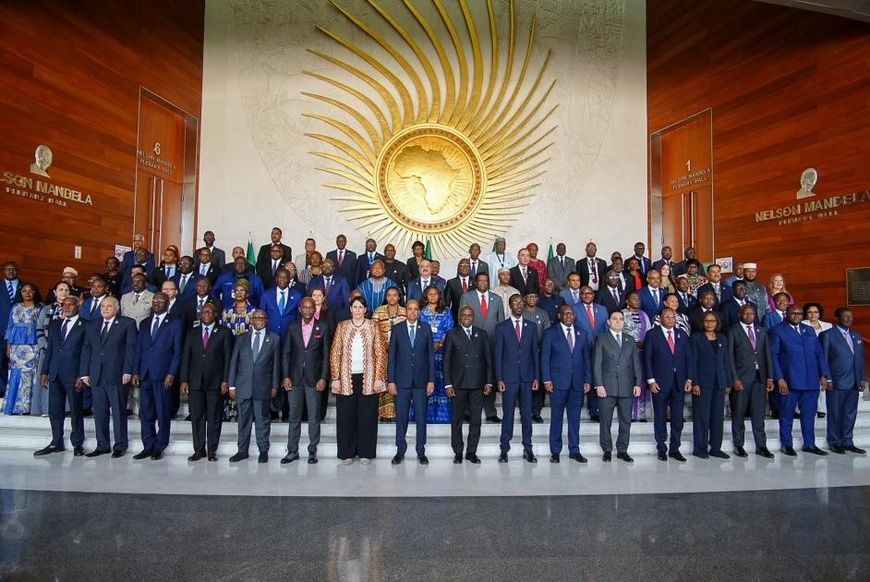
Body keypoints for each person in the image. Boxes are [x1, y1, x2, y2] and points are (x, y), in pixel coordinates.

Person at [330, 296, 387, 465]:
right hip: (346, 378)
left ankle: (365, 452)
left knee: (367, 416)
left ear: (365, 309)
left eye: (360, 307)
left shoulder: (373, 326)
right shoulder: (342, 326)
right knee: (346, 416)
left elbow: (381, 354)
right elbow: (335, 353)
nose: (357, 310)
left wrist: (379, 377)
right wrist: (335, 377)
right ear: (350, 309)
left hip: (368, 378)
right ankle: (346, 453)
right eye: (354, 307)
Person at [79, 297, 137, 458]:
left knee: (118, 412)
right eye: (103, 306)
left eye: (109, 306)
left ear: (117, 308)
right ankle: (102, 445)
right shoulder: (92, 325)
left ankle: (120, 445)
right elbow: (87, 349)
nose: (105, 309)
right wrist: (84, 373)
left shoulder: (127, 323)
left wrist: (128, 371)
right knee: (99, 413)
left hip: (117, 375)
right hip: (96, 375)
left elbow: (131, 349)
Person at [770, 306, 831, 456]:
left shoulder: (808, 330)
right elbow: (774, 357)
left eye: (799, 313)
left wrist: (824, 375)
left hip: (811, 380)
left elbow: (819, 354)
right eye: (793, 313)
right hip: (790, 381)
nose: (797, 315)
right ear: (786, 314)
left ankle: (809, 444)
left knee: (809, 415)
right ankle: (787, 444)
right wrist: (779, 378)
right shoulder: (777, 330)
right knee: (786, 414)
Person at [131, 292, 182, 461]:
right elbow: (139, 349)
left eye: (161, 301)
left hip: (163, 375)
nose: (157, 303)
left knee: (162, 412)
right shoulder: (145, 323)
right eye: (155, 300)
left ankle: (160, 445)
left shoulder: (175, 323)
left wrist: (172, 373)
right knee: (145, 413)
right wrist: (136, 371)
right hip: (145, 374)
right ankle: (148, 444)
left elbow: (177, 351)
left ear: (168, 303)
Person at [34, 296, 87, 456]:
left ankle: (77, 443)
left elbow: (86, 352)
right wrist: (44, 372)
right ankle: (56, 442)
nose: (67, 307)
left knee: (76, 410)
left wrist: (82, 375)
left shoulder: (85, 325)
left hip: (74, 374)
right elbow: (50, 349)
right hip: (55, 372)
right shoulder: (55, 323)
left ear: (78, 306)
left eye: (71, 305)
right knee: (55, 410)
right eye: (65, 305)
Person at [281, 297, 331, 464]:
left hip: (314, 379)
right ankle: (292, 451)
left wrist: (324, 377)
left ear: (315, 309)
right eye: (305, 307)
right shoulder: (293, 327)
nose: (308, 310)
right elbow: (286, 353)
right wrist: (286, 376)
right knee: (294, 416)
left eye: (311, 307)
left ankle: (312, 451)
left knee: (313, 416)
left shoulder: (322, 327)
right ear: (300, 309)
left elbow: (326, 355)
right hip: (294, 379)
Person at [180, 303, 232, 461]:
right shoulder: (192, 333)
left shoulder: (224, 332)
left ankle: (212, 451)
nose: (206, 314)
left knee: (214, 417)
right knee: (196, 417)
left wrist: (225, 380)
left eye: (209, 311)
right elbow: (186, 357)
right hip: (195, 381)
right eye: (204, 311)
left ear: (215, 314)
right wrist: (184, 380)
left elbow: (228, 358)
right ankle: (199, 449)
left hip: (215, 382)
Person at [226, 310, 280, 463]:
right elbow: (234, 362)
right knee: (243, 421)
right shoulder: (242, 338)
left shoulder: (274, 339)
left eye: (262, 317)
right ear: (251, 320)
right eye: (256, 317)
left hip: (263, 386)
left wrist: (275, 385)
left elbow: (276, 365)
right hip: (243, 386)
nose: (259, 320)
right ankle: (242, 450)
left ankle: (263, 451)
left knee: (263, 421)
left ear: (266, 320)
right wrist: (231, 386)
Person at [387, 299, 435, 465]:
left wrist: (431, 380)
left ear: (419, 312)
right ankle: (400, 451)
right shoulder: (398, 329)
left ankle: (421, 451)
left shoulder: (426, 328)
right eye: (410, 309)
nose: (413, 312)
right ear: (405, 311)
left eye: (416, 309)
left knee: (421, 418)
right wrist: (391, 380)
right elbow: (392, 357)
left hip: (422, 382)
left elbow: (430, 356)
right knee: (401, 418)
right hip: (402, 381)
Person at [443, 305, 493, 464]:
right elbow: (446, 362)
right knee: (456, 420)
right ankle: (458, 452)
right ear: (459, 317)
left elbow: (488, 361)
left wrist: (489, 381)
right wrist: (448, 384)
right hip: (458, 384)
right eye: (463, 315)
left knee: (476, 420)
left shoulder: (482, 334)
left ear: (473, 317)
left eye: (469, 315)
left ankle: (471, 452)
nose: (466, 317)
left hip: (477, 384)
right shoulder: (452, 334)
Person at [542, 305, 591, 463]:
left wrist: (588, 380)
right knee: (556, 418)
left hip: (577, 383)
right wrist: (547, 379)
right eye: (565, 313)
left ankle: (574, 450)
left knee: (574, 419)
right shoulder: (550, 333)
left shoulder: (582, 333)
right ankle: (555, 451)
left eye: (571, 313)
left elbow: (586, 359)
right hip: (557, 383)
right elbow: (545, 359)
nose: (569, 316)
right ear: (559, 315)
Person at [494, 294, 539, 463]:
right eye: (515, 303)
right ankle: (504, 449)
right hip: (509, 378)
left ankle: (528, 448)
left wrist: (536, 376)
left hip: (527, 378)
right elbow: (498, 355)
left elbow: (535, 352)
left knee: (526, 415)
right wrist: (499, 378)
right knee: (508, 415)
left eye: (521, 303)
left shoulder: (531, 326)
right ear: (510, 306)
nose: (519, 306)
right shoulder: (502, 327)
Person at [644, 307, 693, 462]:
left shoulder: (682, 335)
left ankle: (674, 448)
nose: (671, 319)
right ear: (660, 318)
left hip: (679, 382)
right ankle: (661, 448)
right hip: (659, 383)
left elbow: (688, 359)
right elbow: (647, 359)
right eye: (667, 317)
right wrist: (651, 380)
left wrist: (689, 379)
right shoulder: (652, 335)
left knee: (678, 418)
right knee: (660, 416)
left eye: (673, 317)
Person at [593, 311, 643, 462]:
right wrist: (598, 385)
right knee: (605, 420)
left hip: (627, 385)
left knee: (626, 420)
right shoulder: (602, 338)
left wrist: (638, 383)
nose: (618, 321)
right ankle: (607, 450)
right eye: (615, 319)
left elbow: (636, 363)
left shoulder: (629, 339)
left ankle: (622, 450)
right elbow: (597, 363)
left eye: (621, 319)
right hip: (607, 387)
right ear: (609, 322)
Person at [726, 304, 775, 459]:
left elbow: (767, 355)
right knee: (738, 414)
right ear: (740, 314)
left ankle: (761, 446)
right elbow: (729, 358)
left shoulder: (762, 330)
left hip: (759, 378)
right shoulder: (733, 330)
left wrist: (770, 377)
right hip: (741, 379)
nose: (749, 316)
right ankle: (739, 445)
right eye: (746, 313)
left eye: (752, 313)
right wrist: (734, 378)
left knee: (759, 415)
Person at [459, 272, 504, 423]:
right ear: (475, 282)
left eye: (486, 280)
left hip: (491, 344)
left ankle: (491, 412)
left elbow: (501, 324)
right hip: (471, 344)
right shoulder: (466, 297)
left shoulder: (497, 299)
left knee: (489, 377)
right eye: (480, 280)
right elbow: (462, 320)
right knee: (469, 376)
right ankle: (466, 412)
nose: (483, 283)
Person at [821, 308, 867, 455]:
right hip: (836, 381)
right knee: (835, 413)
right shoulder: (827, 335)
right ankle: (834, 442)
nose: (848, 319)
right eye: (844, 316)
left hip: (854, 382)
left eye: (850, 317)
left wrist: (862, 378)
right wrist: (827, 377)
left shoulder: (856, 335)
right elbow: (823, 358)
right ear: (837, 318)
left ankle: (847, 441)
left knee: (850, 413)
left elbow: (859, 359)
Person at [689, 311, 731, 459]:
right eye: (707, 321)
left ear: (717, 323)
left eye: (712, 321)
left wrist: (727, 382)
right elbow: (692, 362)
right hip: (702, 383)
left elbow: (726, 361)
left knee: (717, 417)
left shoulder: (722, 338)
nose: (709, 323)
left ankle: (715, 448)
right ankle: (700, 448)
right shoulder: (696, 338)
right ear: (702, 322)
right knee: (702, 417)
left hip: (719, 382)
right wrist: (695, 382)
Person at [4, 283, 45, 415]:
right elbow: (10, 327)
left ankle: (28, 407)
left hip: (32, 346)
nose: (27, 293)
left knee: (30, 375)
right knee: (16, 374)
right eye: (24, 291)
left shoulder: (40, 308)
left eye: (30, 291)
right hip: (16, 346)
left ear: (35, 292)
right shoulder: (15, 307)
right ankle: (13, 406)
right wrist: (8, 346)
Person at [417, 286, 454, 423]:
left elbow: (450, 330)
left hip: (442, 352)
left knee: (441, 380)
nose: (432, 296)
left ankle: (442, 416)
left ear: (439, 296)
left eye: (435, 294)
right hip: (424, 352)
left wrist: (439, 344)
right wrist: (429, 347)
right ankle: (426, 415)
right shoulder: (420, 313)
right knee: (426, 381)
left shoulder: (446, 312)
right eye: (430, 294)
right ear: (426, 296)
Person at [372, 287, 405, 422]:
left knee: (397, 381)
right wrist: (382, 345)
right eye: (389, 295)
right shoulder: (379, 311)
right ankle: (384, 413)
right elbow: (373, 331)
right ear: (386, 297)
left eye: (395, 295)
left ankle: (397, 413)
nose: (392, 298)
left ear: (399, 297)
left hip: (401, 353)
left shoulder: (404, 311)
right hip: (382, 352)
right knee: (383, 380)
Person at [622, 292, 652, 421]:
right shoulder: (621, 314)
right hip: (626, 354)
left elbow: (649, 332)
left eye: (638, 299)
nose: (636, 301)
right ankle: (630, 414)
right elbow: (618, 333)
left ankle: (641, 414)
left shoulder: (644, 315)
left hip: (642, 354)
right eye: (633, 298)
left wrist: (644, 344)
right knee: (630, 382)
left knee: (642, 383)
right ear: (627, 301)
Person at [524, 291, 551, 423]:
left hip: (539, 352)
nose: (531, 299)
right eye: (529, 296)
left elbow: (547, 333)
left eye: (534, 296)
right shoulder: (521, 313)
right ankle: (525, 409)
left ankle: (536, 411)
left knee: (538, 382)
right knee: (526, 382)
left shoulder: (543, 313)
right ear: (525, 299)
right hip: (523, 354)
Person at [803, 301, 833, 419]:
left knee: (823, 383)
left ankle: (822, 409)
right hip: (808, 359)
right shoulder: (801, 325)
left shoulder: (828, 326)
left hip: (824, 358)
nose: (813, 315)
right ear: (806, 314)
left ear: (819, 314)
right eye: (810, 312)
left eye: (815, 312)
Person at [259, 268, 301, 340]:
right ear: (276, 279)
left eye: (285, 278)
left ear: (289, 280)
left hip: (289, 335)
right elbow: (262, 315)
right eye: (280, 277)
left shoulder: (297, 295)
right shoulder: (266, 295)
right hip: (270, 335)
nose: (283, 280)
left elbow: (298, 317)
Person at [444, 258, 473, 323]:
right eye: (462, 265)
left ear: (470, 268)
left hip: (473, 318)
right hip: (456, 318)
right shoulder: (451, 282)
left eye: (467, 265)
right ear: (458, 268)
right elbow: (447, 303)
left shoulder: (476, 282)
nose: (464, 267)